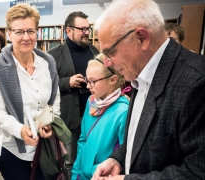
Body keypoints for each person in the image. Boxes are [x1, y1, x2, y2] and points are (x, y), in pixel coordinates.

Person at [92, 0, 205, 179]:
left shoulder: (196, 82)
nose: (107, 62)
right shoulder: (139, 72)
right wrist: (117, 160)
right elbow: (141, 137)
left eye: (110, 52)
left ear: (142, 38)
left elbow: (197, 172)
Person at [0, 3, 60, 179]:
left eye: (30, 31)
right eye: (19, 32)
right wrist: (20, 130)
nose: (26, 37)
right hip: (12, 150)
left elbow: (55, 99)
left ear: (37, 32)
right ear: (9, 34)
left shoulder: (47, 62)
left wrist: (51, 122)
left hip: (44, 146)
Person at [47, 11, 99, 177]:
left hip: (94, 113)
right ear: (68, 31)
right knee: (70, 160)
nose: (86, 32)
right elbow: (45, 85)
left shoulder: (94, 51)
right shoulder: (53, 55)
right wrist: (67, 82)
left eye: (87, 29)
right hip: (70, 117)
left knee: (93, 156)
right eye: (81, 29)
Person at [71, 54, 129, 180]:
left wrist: (94, 171)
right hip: (82, 175)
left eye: (93, 81)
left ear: (113, 79)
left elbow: (124, 155)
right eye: (87, 80)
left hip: (101, 176)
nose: (88, 86)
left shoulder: (123, 112)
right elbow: (82, 140)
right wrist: (76, 173)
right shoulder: (91, 101)